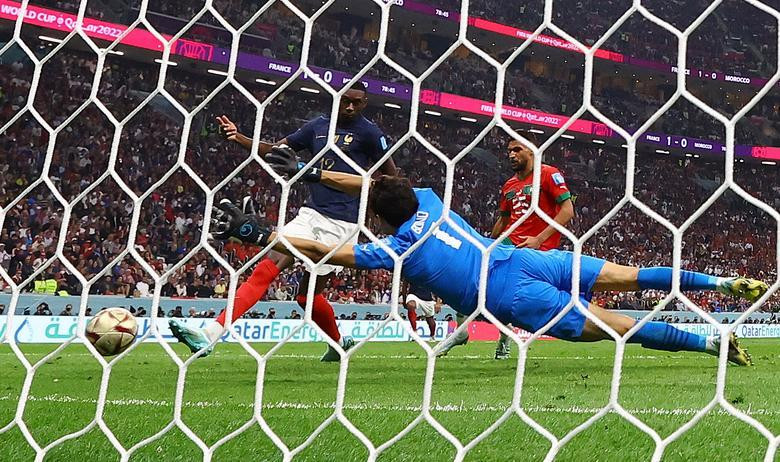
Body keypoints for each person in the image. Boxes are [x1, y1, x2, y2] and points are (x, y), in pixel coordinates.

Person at [194, 154, 766, 366]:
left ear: (380, 217)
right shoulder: (431, 202)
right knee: (623, 272)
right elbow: (374, 184)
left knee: (614, 328)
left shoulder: (396, 249)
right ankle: (718, 279)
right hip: (520, 257)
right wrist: (319, 173)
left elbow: (323, 250)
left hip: (510, 295)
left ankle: (711, 344)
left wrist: (263, 233)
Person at [169, 83, 396, 361]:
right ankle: (210, 335)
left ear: (364, 104)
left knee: (306, 298)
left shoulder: (370, 134)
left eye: (356, 102)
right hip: (310, 214)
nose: (350, 107)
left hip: (343, 224)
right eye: (346, 100)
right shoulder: (316, 127)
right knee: (266, 269)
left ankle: (338, 343)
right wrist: (239, 137)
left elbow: (392, 178)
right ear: (336, 98)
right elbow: (277, 150)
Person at [445, 136, 576, 359]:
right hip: (509, 244)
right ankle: (461, 330)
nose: (511, 154)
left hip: (537, 250)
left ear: (532, 151)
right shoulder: (509, 185)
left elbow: (567, 210)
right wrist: (485, 243)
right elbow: (504, 220)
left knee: (509, 296)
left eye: (517, 149)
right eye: (509, 150)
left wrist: (539, 239)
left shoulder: (548, 174)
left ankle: (504, 340)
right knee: (470, 275)